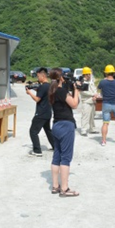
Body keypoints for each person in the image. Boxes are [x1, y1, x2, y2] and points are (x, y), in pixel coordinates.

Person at [48, 68, 80, 197]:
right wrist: (76, 90)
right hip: (66, 125)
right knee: (66, 157)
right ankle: (64, 188)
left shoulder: (52, 90)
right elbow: (74, 104)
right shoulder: (61, 91)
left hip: (56, 124)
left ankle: (55, 186)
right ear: (61, 78)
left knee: (57, 156)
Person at [25, 67, 54, 157]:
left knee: (33, 131)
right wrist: (35, 89)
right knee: (48, 130)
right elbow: (43, 93)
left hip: (41, 113)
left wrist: (30, 93)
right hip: (48, 112)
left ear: (43, 76)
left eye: (38, 76)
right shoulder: (49, 86)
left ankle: (37, 150)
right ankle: (56, 146)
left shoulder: (43, 86)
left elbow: (37, 99)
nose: (38, 78)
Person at [78, 67, 98, 136]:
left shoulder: (91, 81)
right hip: (86, 101)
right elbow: (83, 92)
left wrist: (95, 95)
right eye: (88, 74)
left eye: (90, 74)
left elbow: (94, 89)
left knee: (92, 116)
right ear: (85, 74)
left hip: (92, 100)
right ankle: (83, 130)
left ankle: (92, 129)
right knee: (85, 116)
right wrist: (93, 95)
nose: (89, 75)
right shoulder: (82, 82)